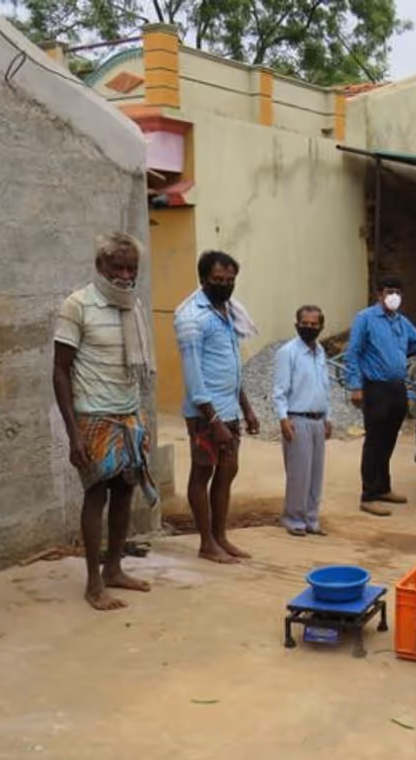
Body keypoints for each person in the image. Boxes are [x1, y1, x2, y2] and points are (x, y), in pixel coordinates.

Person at [53, 231, 159, 612]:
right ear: (101, 266)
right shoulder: (77, 305)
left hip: (129, 414)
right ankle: (94, 583)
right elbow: (60, 371)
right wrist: (73, 434)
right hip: (94, 417)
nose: (126, 274)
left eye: (132, 267)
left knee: (125, 492)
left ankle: (114, 569)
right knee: (96, 494)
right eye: (118, 266)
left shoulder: (132, 306)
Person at [344, 277, 416, 517]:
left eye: (398, 292)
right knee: (374, 441)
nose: (394, 296)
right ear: (379, 294)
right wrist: (355, 386)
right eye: (389, 292)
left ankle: (383, 488)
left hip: (397, 388)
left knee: (388, 440)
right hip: (375, 388)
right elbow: (353, 353)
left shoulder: (400, 322)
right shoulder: (365, 319)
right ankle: (368, 495)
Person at [175, 250, 260, 562]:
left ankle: (221, 536)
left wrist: (246, 408)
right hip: (205, 414)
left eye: (230, 280)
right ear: (203, 279)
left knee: (228, 472)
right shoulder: (191, 318)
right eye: (218, 280)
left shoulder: (228, 311)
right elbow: (194, 376)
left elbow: (231, 367)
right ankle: (206, 543)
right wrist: (214, 421)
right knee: (203, 473)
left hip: (230, 409)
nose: (225, 285)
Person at [272, 305, 332, 537]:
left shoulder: (321, 352)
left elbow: (325, 386)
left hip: (318, 420)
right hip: (297, 419)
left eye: (313, 324)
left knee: (316, 473)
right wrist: (283, 418)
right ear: (297, 324)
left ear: (321, 326)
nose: (309, 327)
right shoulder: (288, 353)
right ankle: (294, 519)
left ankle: (311, 519)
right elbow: (279, 389)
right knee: (299, 474)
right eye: (304, 323)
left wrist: (328, 417)